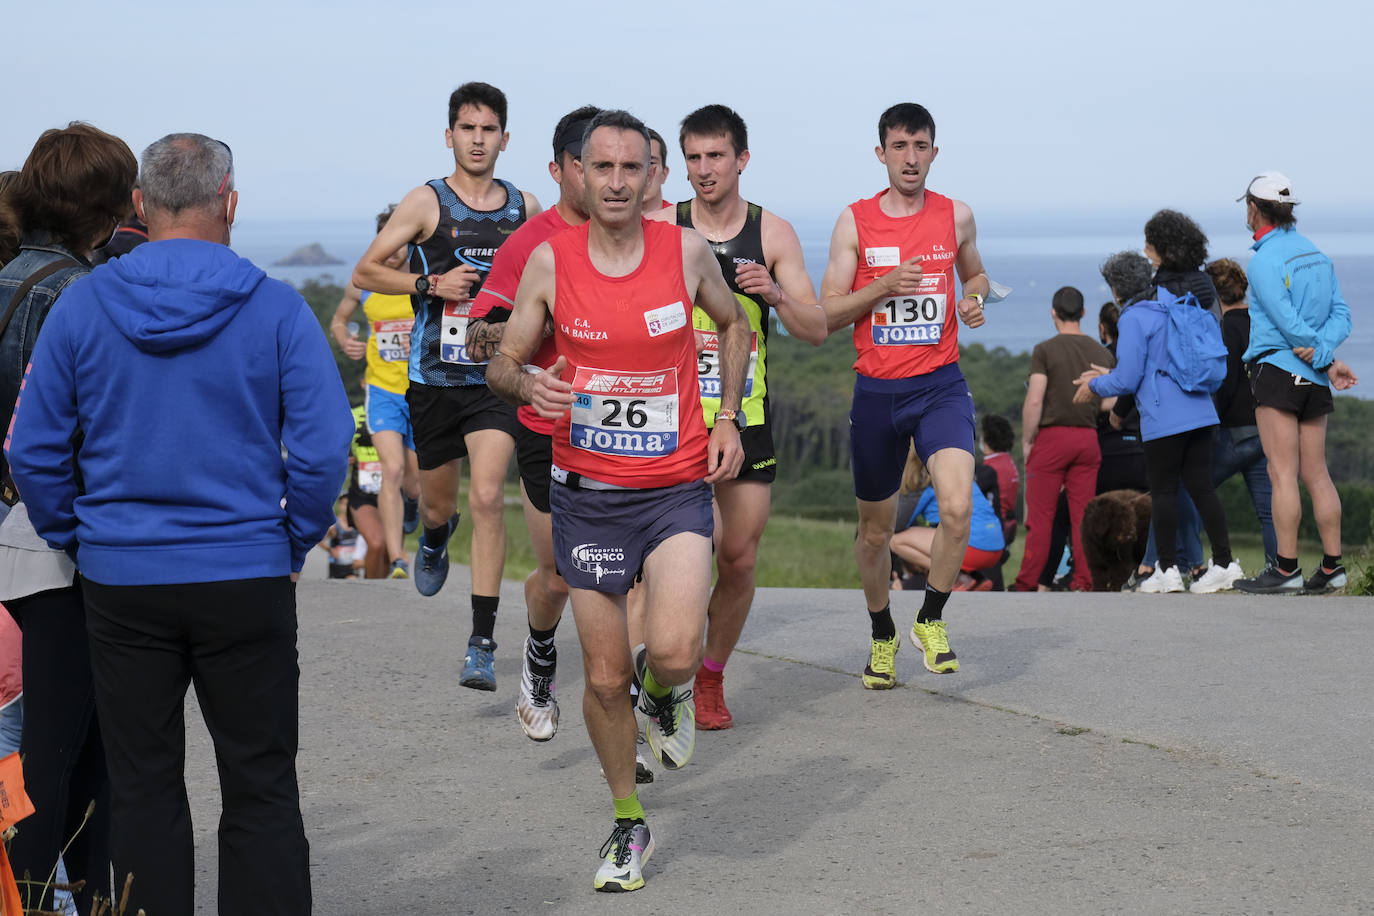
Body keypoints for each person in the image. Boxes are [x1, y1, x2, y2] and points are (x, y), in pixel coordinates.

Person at [7, 132, 354, 916]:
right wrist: (292, 536)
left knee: (143, 785)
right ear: (230, 202)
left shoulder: (86, 305)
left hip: (122, 579)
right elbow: (326, 446)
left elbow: (31, 448)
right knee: (260, 783)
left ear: (140, 204)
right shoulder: (273, 307)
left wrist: (75, 534)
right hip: (245, 573)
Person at [486, 110, 748, 893]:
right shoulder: (549, 262)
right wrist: (529, 380)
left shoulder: (685, 251)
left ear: (652, 175)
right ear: (577, 172)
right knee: (602, 680)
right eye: (602, 167)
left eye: (632, 168)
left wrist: (727, 414)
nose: (617, 182)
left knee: (670, 651)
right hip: (587, 496)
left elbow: (735, 327)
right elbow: (501, 363)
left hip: (673, 487)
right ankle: (628, 822)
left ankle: (668, 696)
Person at [353, 82, 540, 690]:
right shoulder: (427, 202)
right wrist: (429, 287)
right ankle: (435, 535)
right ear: (450, 135)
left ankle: (482, 641)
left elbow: (558, 272)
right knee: (440, 503)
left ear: (505, 138)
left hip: (495, 379)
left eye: (489, 130)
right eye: (467, 128)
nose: (478, 139)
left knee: (488, 496)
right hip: (433, 380)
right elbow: (366, 270)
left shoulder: (523, 209)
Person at [643, 103, 825, 728]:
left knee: (739, 558)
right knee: (685, 545)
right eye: (691, 158)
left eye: (715, 156)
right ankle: (666, 668)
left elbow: (816, 327)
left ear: (741, 159)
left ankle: (709, 676)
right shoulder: (662, 224)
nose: (702, 170)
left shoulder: (772, 233)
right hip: (673, 415)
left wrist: (773, 294)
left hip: (746, 415)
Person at [0, 122, 136, 915]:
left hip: (9, 543)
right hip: (58, 545)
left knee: (28, 740)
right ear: (106, 207)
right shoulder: (84, 297)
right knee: (75, 751)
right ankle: (59, 894)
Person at [818, 102, 990, 686]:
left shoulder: (956, 216)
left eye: (920, 147)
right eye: (899, 147)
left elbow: (976, 275)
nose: (910, 158)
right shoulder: (855, 221)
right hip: (878, 394)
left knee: (958, 507)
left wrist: (975, 301)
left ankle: (932, 619)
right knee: (875, 532)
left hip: (941, 384)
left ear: (934, 153)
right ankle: (882, 632)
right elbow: (829, 311)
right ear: (881, 153)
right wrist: (884, 285)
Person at [464, 104, 600, 745]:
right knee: (561, 575)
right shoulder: (531, 243)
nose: (607, 179)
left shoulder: (644, 234)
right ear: (562, 168)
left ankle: (633, 700)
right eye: (590, 164)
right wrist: (527, 328)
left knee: (643, 571)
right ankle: (540, 654)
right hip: (548, 425)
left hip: (630, 433)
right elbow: (474, 340)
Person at [1076, 236, 1242, 595]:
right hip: (1201, 409)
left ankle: (1166, 570)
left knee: (1163, 492)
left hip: (1164, 417)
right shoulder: (1174, 303)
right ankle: (1225, 563)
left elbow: (1128, 377)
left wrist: (1096, 385)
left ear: (1117, 289)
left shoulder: (1134, 318)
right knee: (1202, 488)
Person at [1231, 172, 1352, 594]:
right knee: (1317, 473)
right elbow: (1342, 315)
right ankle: (1333, 566)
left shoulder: (1264, 260)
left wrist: (1320, 353)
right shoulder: (1316, 254)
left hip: (1278, 372)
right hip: (1315, 379)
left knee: (1281, 472)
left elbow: (1287, 323)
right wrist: (1326, 358)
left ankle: (1285, 570)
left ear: (1252, 208)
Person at [331, 205, 421, 578]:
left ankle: (414, 508)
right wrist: (345, 340)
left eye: (403, 241)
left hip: (420, 390)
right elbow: (339, 320)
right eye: (389, 239)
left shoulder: (424, 281)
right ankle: (399, 558)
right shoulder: (364, 282)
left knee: (416, 483)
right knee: (392, 468)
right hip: (382, 390)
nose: (395, 249)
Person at [1013, 286, 1113, 592]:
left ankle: (1027, 582)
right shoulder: (1102, 352)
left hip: (1053, 438)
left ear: (1053, 312)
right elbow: (1111, 401)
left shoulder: (1045, 350)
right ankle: (1084, 581)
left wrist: (1028, 440)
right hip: (1088, 438)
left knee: (1041, 517)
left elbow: (1034, 400)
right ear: (1083, 313)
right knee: (1082, 515)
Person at [1205, 257, 1277, 569]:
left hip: (1234, 430)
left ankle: (1189, 563)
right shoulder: (1262, 324)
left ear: (1214, 294)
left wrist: (1209, 424)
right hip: (1267, 428)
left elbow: (1225, 381)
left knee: (1191, 489)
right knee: (1269, 511)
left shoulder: (1226, 329)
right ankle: (1279, 568)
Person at [892, 449, 1004, 591]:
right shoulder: (960, 474)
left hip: (973, 548)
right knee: (948, 530)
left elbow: (896, 524)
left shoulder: (923, 482)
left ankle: (958, 578)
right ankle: (975, 578)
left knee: (894, 539)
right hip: (996, 546)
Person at [344, 403, 388, 577]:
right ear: (363, 383)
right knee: (376, 543)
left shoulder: (396, 409)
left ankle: (383, 593)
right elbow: (336, 445)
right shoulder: (353, 415)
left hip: (391, 494)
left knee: (386, 551)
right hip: (362, 494)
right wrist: (345, 458)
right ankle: (372, 588)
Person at [641, 127, 672, 212]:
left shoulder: (684, 222)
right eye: (633, 165)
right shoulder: (604, 222)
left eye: (651, 163)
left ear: (664, 174)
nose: (645, 173)